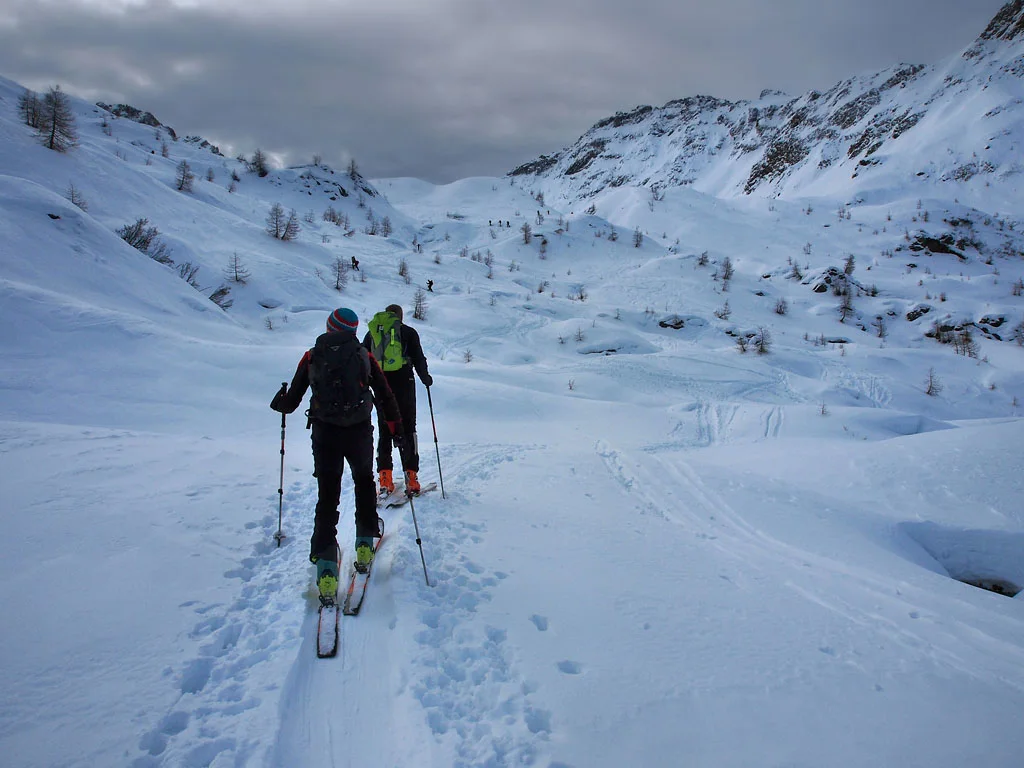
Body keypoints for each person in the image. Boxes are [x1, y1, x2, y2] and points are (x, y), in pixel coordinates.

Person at [271, 308, 403, 598]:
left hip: (324, 433)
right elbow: (385, 395)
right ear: (353, 330)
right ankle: (365, 545)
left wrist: (280, 403)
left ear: (329, 327)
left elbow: (292, 401)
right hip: (358, 432)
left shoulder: (311, 356)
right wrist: (396, 430)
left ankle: (327, 569)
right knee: (364, 483)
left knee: (327, 495)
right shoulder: (364, 355)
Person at [362, 303, 432, 496]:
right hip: (404, 384)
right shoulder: (408, 332)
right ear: (400, 317)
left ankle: (385, 479)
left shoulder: (372, 334)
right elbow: (418, 358)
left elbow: (363, 359)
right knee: (408, 428)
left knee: (385, 430)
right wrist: (425, 378)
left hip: (380, 384)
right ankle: (411, 478)